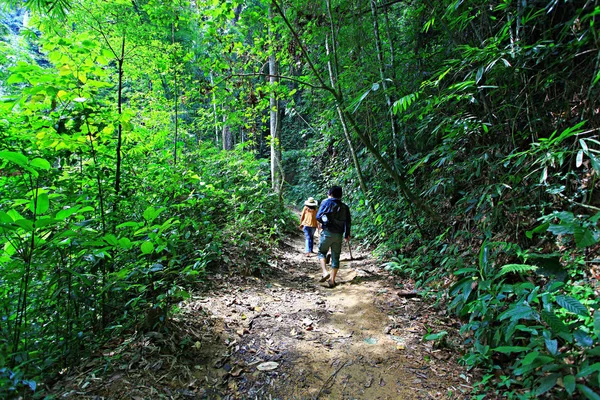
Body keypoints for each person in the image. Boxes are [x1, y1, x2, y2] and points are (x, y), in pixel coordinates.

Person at [316, 186, 351, 288]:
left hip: (327, 232)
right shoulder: (345, 207)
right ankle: (332, 280)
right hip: (339, 235)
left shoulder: (326, 203)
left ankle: (324, 271)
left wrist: (326, 222)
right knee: (336, 257)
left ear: (330, 194)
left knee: (321, 252)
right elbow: (347, 222)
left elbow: (318, 216)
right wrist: (347, 234)